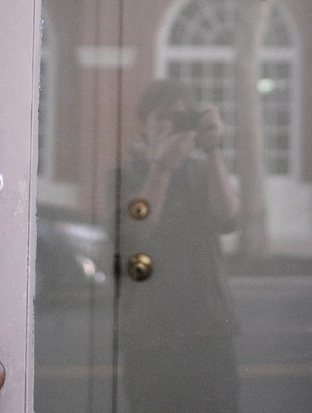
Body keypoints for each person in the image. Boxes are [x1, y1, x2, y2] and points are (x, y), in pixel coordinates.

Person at [112, 80, 242, 413]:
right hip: (150, 336)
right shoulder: (126, 177)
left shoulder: (201, 172)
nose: (172, 125)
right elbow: (135, 233)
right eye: (162, 118)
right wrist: (163, 166)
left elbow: (229, 218)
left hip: (208, 329)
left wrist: (213, 149)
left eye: (181, 118)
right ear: (143, 126)